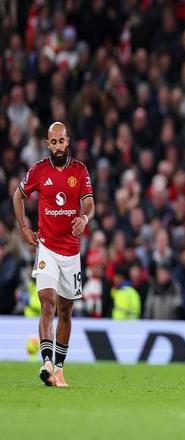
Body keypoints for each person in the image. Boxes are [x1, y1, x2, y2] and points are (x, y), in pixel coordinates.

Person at [13, 121, 94, 387]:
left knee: (66, 310)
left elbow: (89, 203)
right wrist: (24, 228)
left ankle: (59, 368)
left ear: (67, 141)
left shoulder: (80, 171)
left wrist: (84, 218)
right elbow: (17, 196)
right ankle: (46, 363)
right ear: (48, 144)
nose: (58, 146)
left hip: (71, 251)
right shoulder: (38, 170)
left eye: (62, 141)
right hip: (46, 246)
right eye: (54, 142)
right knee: (47, 303)